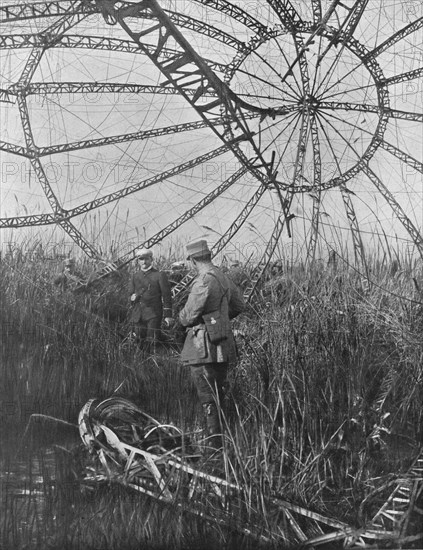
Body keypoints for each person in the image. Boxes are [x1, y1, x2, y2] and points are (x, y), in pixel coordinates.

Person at [179, 239, 245, 450]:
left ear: (192, 260)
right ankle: (220, 442)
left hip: (203, 347)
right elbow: (239, 305)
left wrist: (181, 318)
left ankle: (213, 447)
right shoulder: (223, 277)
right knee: (218, 394)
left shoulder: (203, 280)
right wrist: (219, 319)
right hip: (222, 344)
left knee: (208, 398)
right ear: (208, 255)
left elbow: (188, 316)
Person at [128, 248, 173, 351]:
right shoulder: (135, 276)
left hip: (153, 314)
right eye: (141, 259)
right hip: (138, 314)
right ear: (138, 261)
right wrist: (131, 297)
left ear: (151, 259)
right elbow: (129, 294)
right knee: (138, 341)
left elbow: (167, 296)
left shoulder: (159, 275)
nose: (144, 262)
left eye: (146, 259)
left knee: (152, 340)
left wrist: (168, 316)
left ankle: (155, 361)